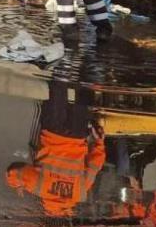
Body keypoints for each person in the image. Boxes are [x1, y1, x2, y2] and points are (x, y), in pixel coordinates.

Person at [6, 81, 106, 218]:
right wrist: (17, 184)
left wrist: (99, 142)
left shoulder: (80, 193)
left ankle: (89, 67)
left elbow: (95, 165)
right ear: (45, 212)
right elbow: (13, 171)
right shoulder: (38, 188)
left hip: (77, 135)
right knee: (59, 83)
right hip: (53, 132)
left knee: (85, 89)